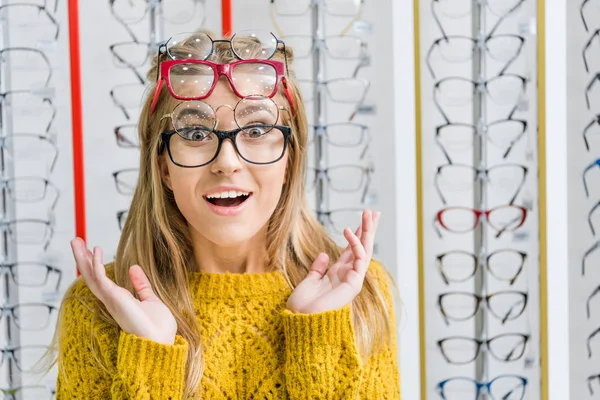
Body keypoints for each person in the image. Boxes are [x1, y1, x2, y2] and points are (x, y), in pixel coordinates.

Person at [49, 31, 401, 399]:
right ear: (164, 167)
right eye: (197, 133)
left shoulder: (360, 294)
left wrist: (319, 337)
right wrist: (149, 362)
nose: (227, 162)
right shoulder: (100, 308)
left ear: (290, 160)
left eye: (256, 129)